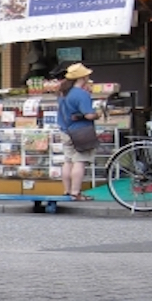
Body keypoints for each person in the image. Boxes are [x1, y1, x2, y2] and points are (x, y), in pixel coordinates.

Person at [57, 62, 98, 200]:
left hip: (65, 130)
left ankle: (67, 191)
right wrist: (98, 113)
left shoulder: (63, 93)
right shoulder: (81, 94)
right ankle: (76, 192)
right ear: (83, 77)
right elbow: (89, 114)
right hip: (80, 131)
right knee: (79, 161)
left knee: (68, 161)